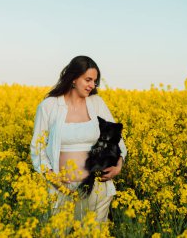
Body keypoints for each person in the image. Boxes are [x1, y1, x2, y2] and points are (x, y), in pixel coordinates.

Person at [30, 55, 127, 222]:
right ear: (74, 78)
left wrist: (119, 164)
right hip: (59, 189)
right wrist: (52, 177)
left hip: (96, 189)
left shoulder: (96, 103)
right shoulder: (49, 106)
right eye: (88, 79)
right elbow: (37, 148)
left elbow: (116, 138)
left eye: (95, 81)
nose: (92, 85)